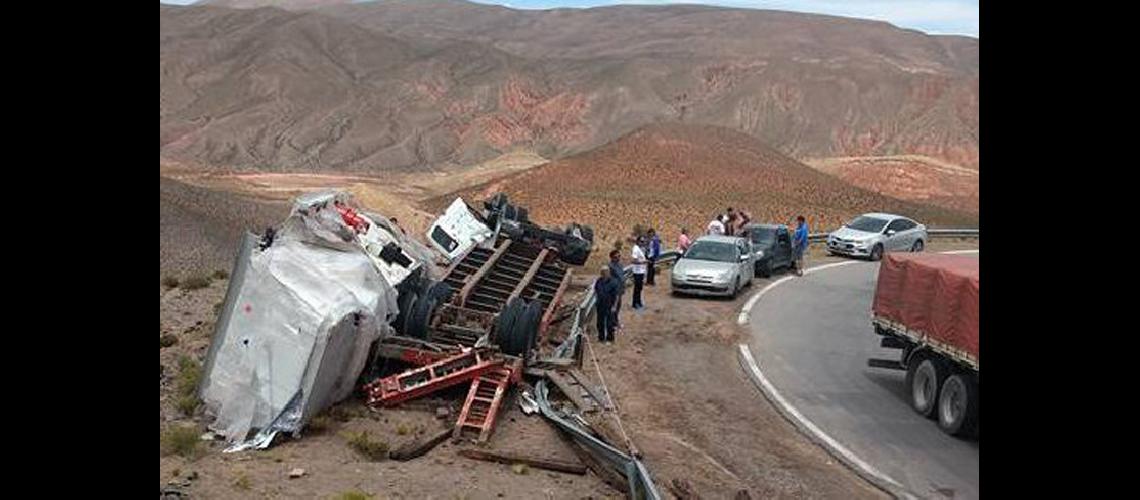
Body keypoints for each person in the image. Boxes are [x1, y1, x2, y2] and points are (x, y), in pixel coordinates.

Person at [594, 266, 619, 344]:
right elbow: (596, 291)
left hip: (609, 305)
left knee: (609, 323)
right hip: (600, 305)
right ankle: (601, 338)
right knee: (599, 322)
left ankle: (610, 339)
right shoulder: (599, 281)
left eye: (605, 272)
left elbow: (617, 296)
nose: (604, 274)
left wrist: (614, 306)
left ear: (608, 272)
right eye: (602, 272)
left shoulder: (614, 282)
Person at [608, 249, 626, 329]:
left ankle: (616, 322)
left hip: (620, 289)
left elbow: (621, 276)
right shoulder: (610, 266)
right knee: (613, 307)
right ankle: (612, 324)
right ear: (612, 257)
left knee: (618, 306)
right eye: (616, 257)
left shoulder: (620, 265)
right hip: (613, 290)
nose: (618, 258)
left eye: (619, 256)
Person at [630, 236, 648, 310]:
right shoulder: (635, 249)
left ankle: (639, 302)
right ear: (637, 241)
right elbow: (633, 260)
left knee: (640, 288)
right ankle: (635, 303)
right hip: (637, 271)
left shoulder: (641, 249)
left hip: (641, 271)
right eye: (641, 241)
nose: (642, 243)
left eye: (643, 242)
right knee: (637, 288)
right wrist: (643, 262)